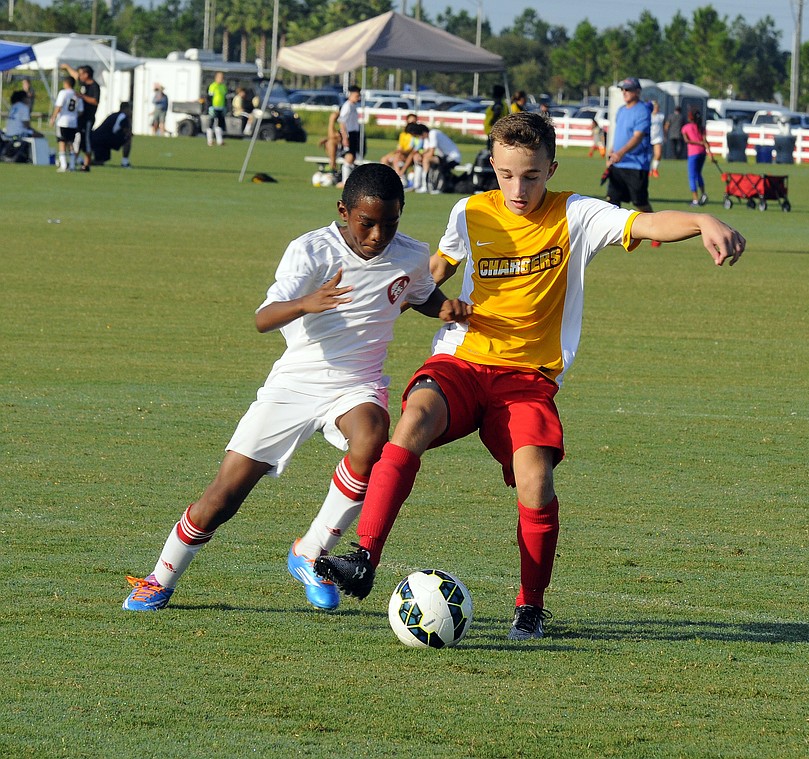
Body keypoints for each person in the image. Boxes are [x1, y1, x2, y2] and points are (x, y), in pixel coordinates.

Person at [314, 111, 745, 641]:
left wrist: (703, 221)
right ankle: (364, 556)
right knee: (412, 422)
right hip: (463, 360)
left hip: (527, 379)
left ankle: (530, 606)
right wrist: (384, 302)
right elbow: (434, 275)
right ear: (492, 165)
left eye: (533, 176)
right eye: (508, 174)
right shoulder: (469, 211)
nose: (519, 188)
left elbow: (646, 224)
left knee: (537, 480)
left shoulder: (576, 215)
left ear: (552, 168)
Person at [122, 163, 468, 613]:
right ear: (344, 211)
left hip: (357, 385)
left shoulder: (410, 254)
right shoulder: (312, 252)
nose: (378, 235)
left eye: (390, 223)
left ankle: (311, 551)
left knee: (373, 437)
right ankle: (160, 578)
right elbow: (263, 318)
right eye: (367, 223)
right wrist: (308, 302)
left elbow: (419, 294)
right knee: (222, 498)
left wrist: (445, 309)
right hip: (294, 385)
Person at [606, 77, 658, 245]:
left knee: (639, 202)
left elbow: (637, 137)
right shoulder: (621, 110)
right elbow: (618, 134)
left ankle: (657, 231)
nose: (624, 93)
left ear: (637, 91)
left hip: (635, 164)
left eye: (628, 90)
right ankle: (614, 236)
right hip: (618, 163)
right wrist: (612, 153)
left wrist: (620, 153)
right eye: (623, 90)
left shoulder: (642, 110)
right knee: (612, 200)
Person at [60, 64, 100, 171]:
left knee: (86, 140)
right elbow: (75, 75)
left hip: (88, 118)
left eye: (82, 73)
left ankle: (86, 165)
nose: (80, 76)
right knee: (76, 140)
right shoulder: (84, 84)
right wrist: (67, 67)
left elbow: (95, 101)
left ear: (87, 74)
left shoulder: (94, 86)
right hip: (80, 118)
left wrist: (82, 96)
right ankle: (74, 161)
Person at [415, 125, 462, 194]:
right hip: (444, 157)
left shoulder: (433, 133)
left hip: (452, 157)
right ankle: (425, 184)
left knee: (426, 160)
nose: (420, 138)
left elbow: (431, 152)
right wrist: (419, 155)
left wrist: (423, 157)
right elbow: (426, 150)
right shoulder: (427, 138)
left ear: (424, 133)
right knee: (423, 159)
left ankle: (428, 186)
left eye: (419, 136)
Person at [49, 75, 81, 173]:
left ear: (66, 83)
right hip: (73, 122)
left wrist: (53, 118)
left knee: (61, 142)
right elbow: (80, 111)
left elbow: (58, 106)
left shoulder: (63, 93)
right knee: (71, 143)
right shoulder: (77, 95)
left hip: (63, 121)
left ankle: (63, 165)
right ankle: (72, 165)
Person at [91, 101, 133, 168]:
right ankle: (125, 162)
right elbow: (127, 133)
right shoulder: (123, 117)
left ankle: (86, 160)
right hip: (102, 140)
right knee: (128, 139)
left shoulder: (114, 114)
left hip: (97, 138)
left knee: (101, 161)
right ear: (126, 109)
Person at [681, 108, 709, 206]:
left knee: (692, 176)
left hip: (693, 153)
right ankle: (703, 193)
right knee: (698, 174)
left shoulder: (685, 127)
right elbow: (705, 141)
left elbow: (687, 140)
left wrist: (697, 142)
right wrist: (710, 153)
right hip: (702, 152)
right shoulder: (701, 127)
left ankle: (695, 199)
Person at [338, 85, 363, 159]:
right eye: (356, 96)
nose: (358, 98)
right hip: (349, 134)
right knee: (349, 156)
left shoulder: (353, 105)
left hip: (354, 133)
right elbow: (342, 122)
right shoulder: (347, 106)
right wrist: (345, 137)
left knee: (354, 155)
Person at [206, 71, 228, 146]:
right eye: (220, 77)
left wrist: (226, 107)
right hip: (213, 107)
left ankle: (219, 141)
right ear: (216, 78)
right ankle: (210, 141)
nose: (221, 79)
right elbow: (209, 97)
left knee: (220, 124)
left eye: (222, 77)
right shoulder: (212, 86)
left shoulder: (223, 87)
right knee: (211, 123)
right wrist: (209, 107)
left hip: (221, 108)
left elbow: (225, 98)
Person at [649, 100, 665, 177]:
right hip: (649, 137)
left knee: (658, 154)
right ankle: (648, 170)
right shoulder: (648, 115)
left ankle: (654, 169)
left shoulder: (661, 116)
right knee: (648, 155)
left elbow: (664, 126)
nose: (656, 108)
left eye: (657, 107)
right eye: (655, 107)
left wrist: (664, 135)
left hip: (658, 137)